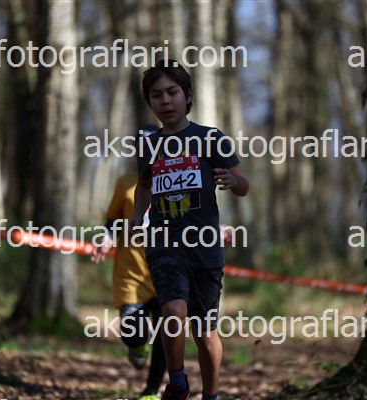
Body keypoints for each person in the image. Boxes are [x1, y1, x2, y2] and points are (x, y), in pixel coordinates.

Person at [131, 59, 249, 400]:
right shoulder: (149, 145)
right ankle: (178, 382)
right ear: (149, 102)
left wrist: (234, 182)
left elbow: (243, 184)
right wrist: (137, 218)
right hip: (164, 243)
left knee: (204, 333)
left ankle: (211, 395)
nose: (165, 101)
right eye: (156, 95)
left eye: (172, 92)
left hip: (204, 247)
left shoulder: (210, 138)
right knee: (173, 311)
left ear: (188, 96)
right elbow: (144, 186)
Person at [91, 159, 167, 400]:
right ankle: (137, 345)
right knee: (132, 330)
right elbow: (113, 220)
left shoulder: (174, 177)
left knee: (166, 334)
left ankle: (152, 390)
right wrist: (108, 237)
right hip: (131, 271)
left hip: (167, 270)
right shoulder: (125, 183)